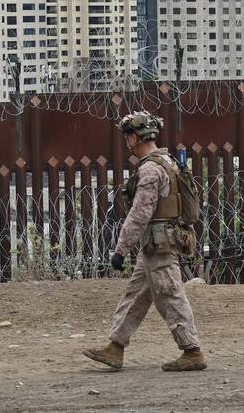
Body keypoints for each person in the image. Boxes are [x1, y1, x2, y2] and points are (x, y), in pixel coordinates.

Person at [83, 111, 207, 371]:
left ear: (134, 137)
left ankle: (192, 350)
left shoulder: (150, 169)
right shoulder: (168, 161)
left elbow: (140, 213)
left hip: (159, 243)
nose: (127, 141)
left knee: (170, 294)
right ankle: (116, 347)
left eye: (128, 136)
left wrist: (120, 250)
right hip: (157, 243)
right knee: (136, 294)